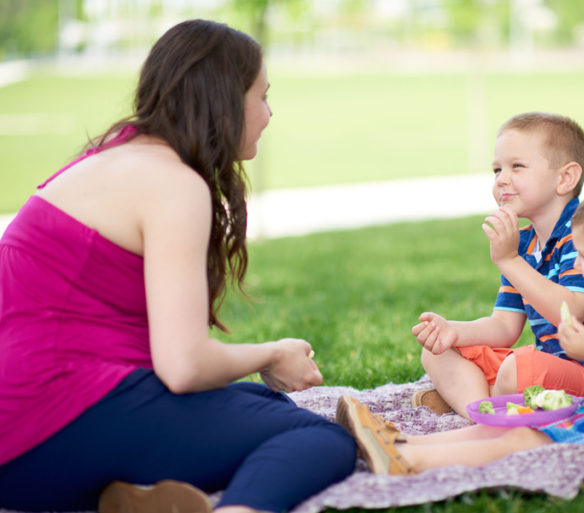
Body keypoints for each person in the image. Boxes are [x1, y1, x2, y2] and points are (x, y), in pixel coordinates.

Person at [0, 20, 356, 513]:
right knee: (318, 438)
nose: (269, 113)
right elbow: (184, 367)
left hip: (24, 437)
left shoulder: (109, 158)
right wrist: (271, 353)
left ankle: (132, 495)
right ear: (225, 98)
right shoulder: (173, 183)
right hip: (53, 422)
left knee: (265, 407)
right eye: (263, 96)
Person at [337, 179, 584, 475]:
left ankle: (410, 462)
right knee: (520, 420)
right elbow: (504, 326)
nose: (580, 267)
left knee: (524, 438)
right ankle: (403, 443)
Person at [411, 112, 584, 418]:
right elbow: (505, 327)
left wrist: (509, 261)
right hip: (547, 371)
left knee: (518, 369)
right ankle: (484, 412)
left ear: (565, 178)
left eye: (516, 166)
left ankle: (483, 404)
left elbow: (571, 312)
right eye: (497, 169)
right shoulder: (522, 243)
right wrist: (453, 331)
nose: (501, 178)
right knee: (437, 351)